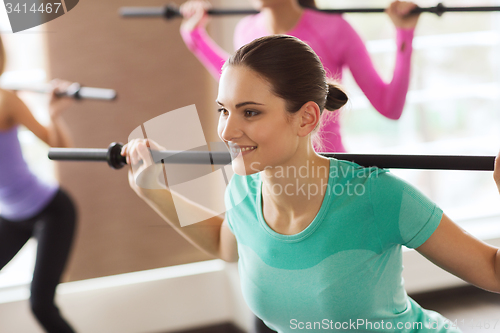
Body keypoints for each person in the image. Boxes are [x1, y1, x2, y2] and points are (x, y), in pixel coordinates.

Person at [123, 35, 500, 333]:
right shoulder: (242, 190)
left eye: (250, 112)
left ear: (305, 119)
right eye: (224, 110)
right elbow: (228, 246)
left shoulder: (377, 196)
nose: (226, 130)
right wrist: (151, 188)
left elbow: (494, 273)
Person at [179, 0, 420, 152]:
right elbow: (234, 78)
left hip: (328, 168)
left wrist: (405, 32)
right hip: (271, 169)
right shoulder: (246, 30)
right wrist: (195, 37)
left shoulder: (335, 29)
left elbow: (390, 107)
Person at [0, 36, 77, 333]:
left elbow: (62, 149)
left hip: (51, 212)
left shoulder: (7, 101)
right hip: (11, 217)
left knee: (41, 306)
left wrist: (54, 114)